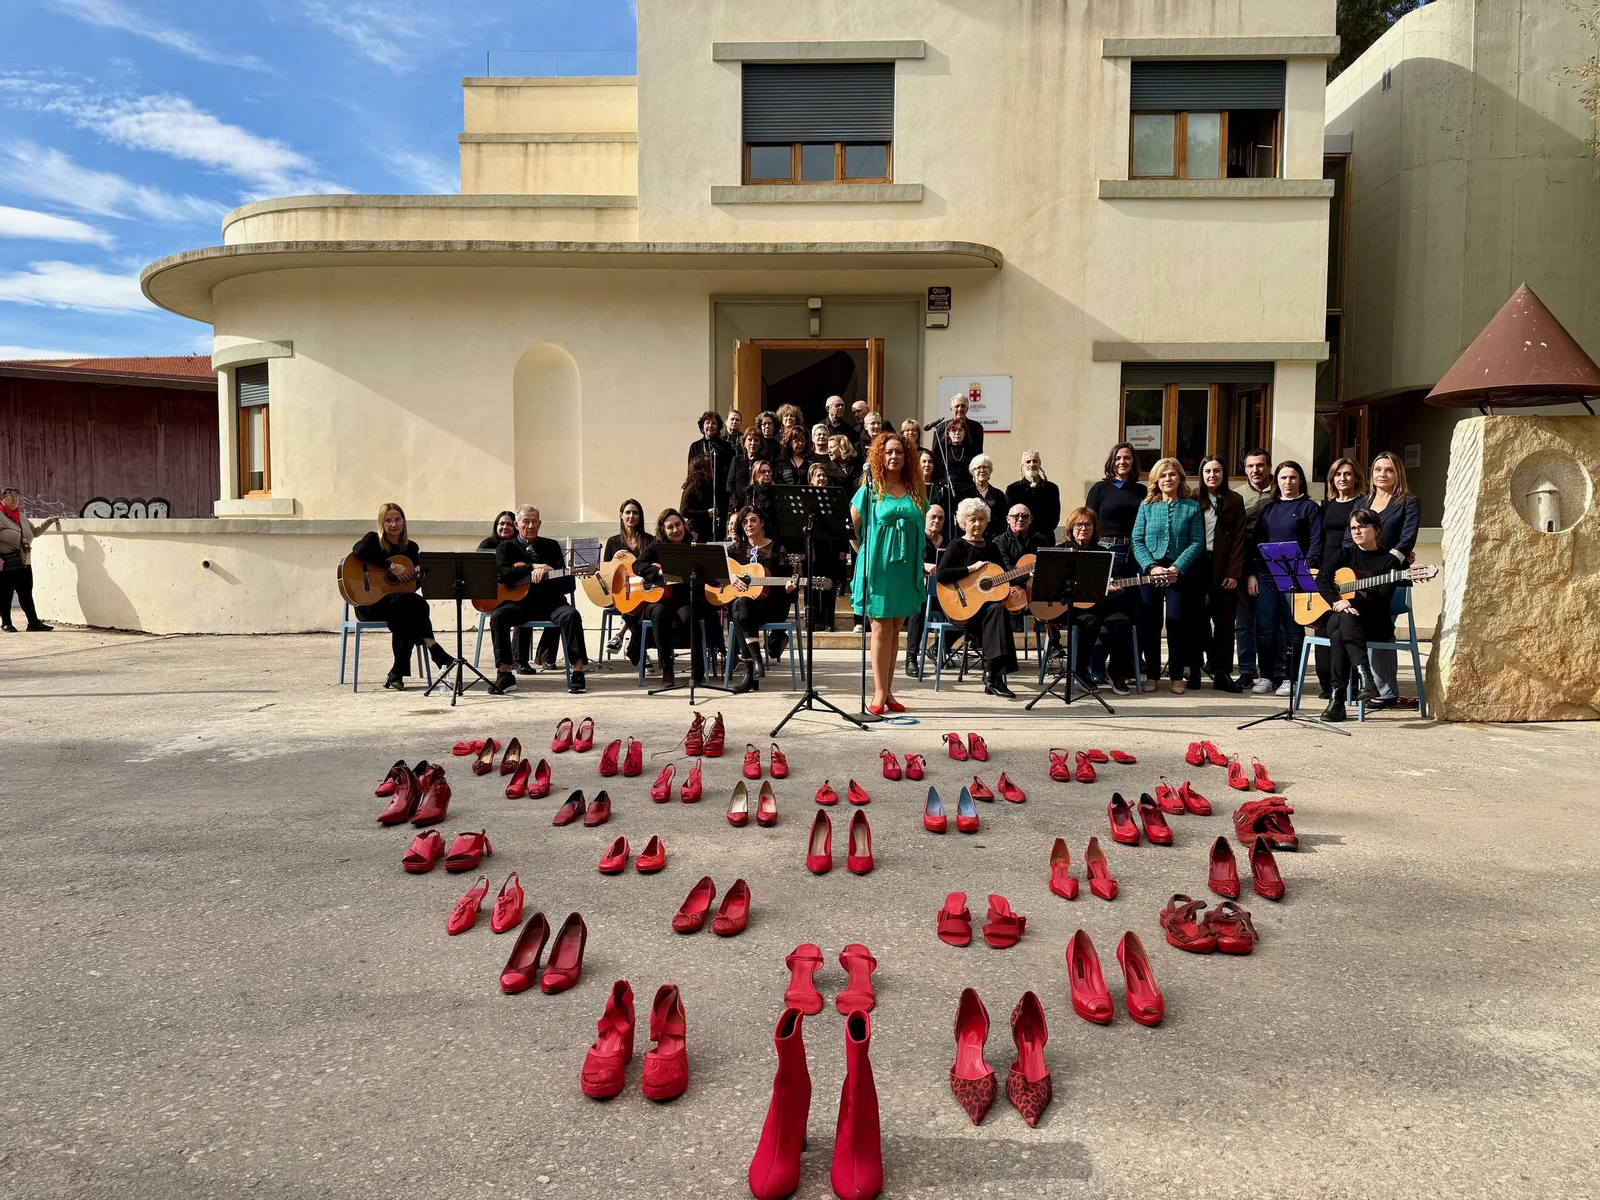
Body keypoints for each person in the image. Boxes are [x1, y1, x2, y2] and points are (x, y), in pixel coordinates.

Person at [850, 433, 927, 712]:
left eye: (899, 452)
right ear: (880, 458)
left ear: (907, 458)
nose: (894, 456)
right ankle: (879, 693)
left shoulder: (915, 490)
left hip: (905, 567)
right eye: (889, 452)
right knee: (881, 628)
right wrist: (865, 556)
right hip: (878, 566)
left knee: (896, 630)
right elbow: (853, 528)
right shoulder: (870, 489)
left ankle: (889, 691)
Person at [349, 503, 455, 690]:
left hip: (399, 607)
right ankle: (434, 649)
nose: (393, 524)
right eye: (388, 520)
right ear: (382, 523)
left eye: (397, 519)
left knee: (407, 613)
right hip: (369, 605)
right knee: (415, 604)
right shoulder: (373, 540)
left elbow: (410, 587)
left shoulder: (411, 548)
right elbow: (358, 550)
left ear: (404, 521)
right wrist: (391, 567)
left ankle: (397, 673)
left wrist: (419, 576)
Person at [490, 505, 589, 694]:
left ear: (540, 524)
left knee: (571, 615)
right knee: (498, 616)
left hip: (550, 603)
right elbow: (503, 574)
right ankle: (505, 674)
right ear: (517, 524)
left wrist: (551, 570)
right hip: (520, 605)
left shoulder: (551, 546)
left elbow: (562, 581)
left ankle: (578, 672)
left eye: (534, 521)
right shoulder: (506, 547)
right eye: (525, 521)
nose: (530, 525)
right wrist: (532, 567)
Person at [1353, 450, 1422, 707]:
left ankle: (1385, 692)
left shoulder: (1408, 502)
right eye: (1378, 470)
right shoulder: (1361, 503)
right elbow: (1351, 537)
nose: (1383, 474)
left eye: (1389, 470)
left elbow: (1407, 540)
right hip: (1359, 576)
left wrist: (1385, 561)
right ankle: (1359, 685)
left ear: (1397, 474)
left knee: (1378, 626)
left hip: (1391, 577)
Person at [1131, 458, 1205, 694]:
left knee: (1176, 623)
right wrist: (1151, 567)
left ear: (1180, 478)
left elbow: (1197, 541)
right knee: (1151, 623)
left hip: (1178, 573)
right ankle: (1152, 675)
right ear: (1156, 480)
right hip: (1151, 571)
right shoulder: (1146, 506)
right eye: (1163, 476)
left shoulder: (1191, 507)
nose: (1168, 479)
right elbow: (1137, 540)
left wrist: (1178, 567)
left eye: (1172, 475)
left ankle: (1176, 675)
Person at [935, 497, 1020, 698]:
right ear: (964, 521)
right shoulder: (957, 545)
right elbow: (941, 574)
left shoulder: (991, 547)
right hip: (962, 607)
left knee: (998, 609)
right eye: (972, 519)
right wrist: (969, 569)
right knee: (997, 613)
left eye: (981, 519)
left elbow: (1002, 575)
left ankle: (993, 677)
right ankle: (994, 677)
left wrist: (1017, 580)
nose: (977, 524)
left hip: (986, 611)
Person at [1250, 460, 1322, 697]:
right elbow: (1255, 543)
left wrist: (1307, 569)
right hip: (1267, 577)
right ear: (1276, 481)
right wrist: (1252, 574)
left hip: (1296, 578)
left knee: (1293, 630)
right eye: (1283, 477)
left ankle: (1291, 679)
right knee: (1265, 629)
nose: (1288, 482)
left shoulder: (1310, 508)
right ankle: (1267, 677)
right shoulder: (1269, 509)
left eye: (1292, 477)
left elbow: (1315, 542)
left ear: (1300, 479)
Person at [1317, 508, 1393, 721]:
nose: (1357, 531)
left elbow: (1383, 601)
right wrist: (1337, 602)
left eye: (1362, 526)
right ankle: (1365, 677)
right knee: (1346, 619)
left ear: (1376, 529)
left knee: (1341, 630)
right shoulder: (1345, 554)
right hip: (1342, 616)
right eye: (1353, 528)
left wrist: (1351, 602)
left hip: (1374, 622)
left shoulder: (1388, 561)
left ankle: (1337, 700)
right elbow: (1321, 578)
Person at [1055, 507, 1136, 695]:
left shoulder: (1103, 553)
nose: (1083, 528)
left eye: (1088, 525)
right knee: (1090, 622)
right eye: (1078, 524)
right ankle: (1081, 671)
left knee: (1122, 623)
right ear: (1071, 527)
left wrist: (1114, 587)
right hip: (1073, 607)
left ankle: (1117, 674)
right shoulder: (1060, 551)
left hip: (1101, 604)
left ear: (1094, 528)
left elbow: (1110, 580)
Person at [1086, 442, 1150, 680]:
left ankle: (1124, 666)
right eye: (1118, 458)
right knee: (1104, 608)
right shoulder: (1100, 488)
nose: (1122, 462)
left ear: (1133, 463)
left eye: (1127, 458)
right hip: (1106, 551)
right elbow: (1087, 521)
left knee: (1133, 611)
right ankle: (1097, 667)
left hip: (1134, 553)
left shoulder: (1141, 491)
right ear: (1111, 462)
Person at [725, 505, 799, 694]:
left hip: (772, 605)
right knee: (741, 604)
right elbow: (720, 575)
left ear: (762, 522)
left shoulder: (777, 549)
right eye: (745, 521)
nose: (749, 524)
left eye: (753, 520)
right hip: (746, 607)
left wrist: (790, 588)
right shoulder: (735, 550)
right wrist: (732, 578)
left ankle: (750, 672)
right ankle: (756, 662)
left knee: (737, 611)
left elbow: (787, 586)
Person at [638, 508, 713, 688]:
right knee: (659, 613)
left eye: (678, 524)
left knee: (689, 615)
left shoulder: (694, 545)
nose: (675, 530)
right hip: (660, 600)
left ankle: (697, 670)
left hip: (685, 599)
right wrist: (657, 572)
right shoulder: (657, 546)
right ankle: (667, 670)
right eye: (670, 527)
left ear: (684, 525)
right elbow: (637, 565)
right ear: (663, 531)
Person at [1313, 457, 1366, 698]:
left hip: (1349, 571)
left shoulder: (1363, 504)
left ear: (1356, 477)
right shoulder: (1326, 505)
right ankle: (1327, 686)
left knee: (1343, 629)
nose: (1342, 478)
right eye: (1338, 474)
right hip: (1326, 571)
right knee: (1322, 627)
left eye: (1347, 474)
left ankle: (1350, 687)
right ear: (1332, 478)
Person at [1194, 456, 1247, 691]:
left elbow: (1239, 539)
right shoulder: (1192, 497)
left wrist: (1234, 573)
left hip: (1224, 565)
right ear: (1201, 474)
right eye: (1207, 471)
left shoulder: (1235, 500)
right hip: (1196, 564)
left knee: (1225, 622)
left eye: (1216, 471)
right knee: (1196, 619)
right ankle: (1194, 668)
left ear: (1224, 474)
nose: (1212, 475)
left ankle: (1222, 673)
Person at [1234, 447, 1277, 691]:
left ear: (1269, 467)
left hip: (1275, 566)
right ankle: (1247, 670)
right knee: (1245, 622)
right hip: (1245, 564)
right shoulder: (1238, 496)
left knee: (1272, 624)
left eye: (1260, 465)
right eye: (1250, 466)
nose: (1255, 470)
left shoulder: (1279, 491)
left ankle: (1274, 672)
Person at [478, 509, 536, 673]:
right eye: (501, 523)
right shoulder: (487, 545)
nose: (505, 527)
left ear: (516, 526)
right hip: (494, 596)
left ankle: (520, 660)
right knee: (502, 615)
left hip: (517, 595)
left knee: (525, 601)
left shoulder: (522, 547)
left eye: (509, 524)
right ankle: (505, 665)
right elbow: (477, 571)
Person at [604, 498, 655, 665]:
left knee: (642, 604)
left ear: (640, 517)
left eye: (635, 513)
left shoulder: (650, 540)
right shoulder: (612, 541)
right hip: (619, 592)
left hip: (642, 591)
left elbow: (654, 567)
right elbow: (605, 573)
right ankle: (639, 651)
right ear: (621, 516)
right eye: (628, 512)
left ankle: (621, 636)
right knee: (635, 606)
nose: (631, 516)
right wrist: (614, 560)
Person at [0, 487, 58, 632]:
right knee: (5, 594)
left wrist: (48, 522)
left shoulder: (21, 517)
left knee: (26, 594)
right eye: (10, 496)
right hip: (5, 563)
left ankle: (33, 623)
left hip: (23, 562)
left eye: (16, 496)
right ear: (2, 500)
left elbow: (34, 532)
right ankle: (6, 623)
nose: (14, 498)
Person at [903, 503, 947, 675]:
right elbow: (905, 561)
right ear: (924, 519)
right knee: (918, 606)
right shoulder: (916, 538)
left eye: (940, 518)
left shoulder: (948, 541)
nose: (936, 521)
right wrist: (923, 566)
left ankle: (936, 649)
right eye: (933, 517)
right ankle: (911, 657)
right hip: (919, 590)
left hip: (944, 593)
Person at [687, 411, 733, 527]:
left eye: (714, 423)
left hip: (720, 494)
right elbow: (690, 471)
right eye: (707, 423)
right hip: (701, 494)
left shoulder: (725, 446)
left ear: (718, 427)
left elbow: (730, 471)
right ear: (702, 426)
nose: (710, 426)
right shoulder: (695, 446)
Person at [1006, 450, 1061, 542]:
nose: (1031, 464)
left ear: (1040, 464)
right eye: (1028, 461)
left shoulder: (1051, 489)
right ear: (1023, 465)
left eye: (1035, 461)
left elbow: (1055, 516)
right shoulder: (1013, 490)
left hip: (1045, 538)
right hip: (1020, 539)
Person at [934, 411, 978, 498]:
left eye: (960, 430)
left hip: (967, 489)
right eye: (953, 430)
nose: (957, 433)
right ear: (948, 433)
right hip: (947, 489)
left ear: (965, 433)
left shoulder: (971, 449)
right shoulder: (943, 449)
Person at [993, 504, 1047, 570]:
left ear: (1030, 519)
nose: (1020, 519)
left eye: (1025, 516)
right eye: (1016, 516)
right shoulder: (1000, 542)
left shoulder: (1041, 540)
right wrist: (1028, 574)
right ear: (1008, 519)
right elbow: (1006, 569)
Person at [680, 454, 717, 543]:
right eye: (709, 467)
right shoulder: (691, 488)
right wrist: (706, 513)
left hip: (707, 528)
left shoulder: (706, 485)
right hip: (696, 530)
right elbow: (684, 511)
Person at [967, 454, 1008, 531]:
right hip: (972, 537)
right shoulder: (965, 494)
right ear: (973, 472)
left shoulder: (999, 494)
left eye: (985, 467)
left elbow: (1003, 521)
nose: (982, 470)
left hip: (994, 538)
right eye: (978, 467)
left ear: (990, 472)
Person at [730, 427, 768, 511]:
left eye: (756, 440)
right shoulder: (736, 460)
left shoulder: (764, 461)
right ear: (744, 442)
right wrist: (735, 502)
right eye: (750, 440)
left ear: (760, 443)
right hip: (739, 505)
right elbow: (730, 484)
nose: (753, 443)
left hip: (758, 505)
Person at [918, 447, 954, 518]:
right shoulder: (911, 486)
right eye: (924, 461)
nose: (927, 464)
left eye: (930, 462)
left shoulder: (942, 487)